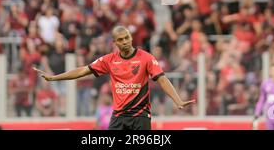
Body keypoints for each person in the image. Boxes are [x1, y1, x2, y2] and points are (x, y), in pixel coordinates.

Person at [34, 25, 195, 130]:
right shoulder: (109, 60)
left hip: (140, 116)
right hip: (119, 116)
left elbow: (162, 79)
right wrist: (55, 78)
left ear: (131, 38)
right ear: (115, 42)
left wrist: (177, 100)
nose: (125, 41)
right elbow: (83, 70)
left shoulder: (146, 58)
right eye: (120, 39)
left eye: (127, 38)